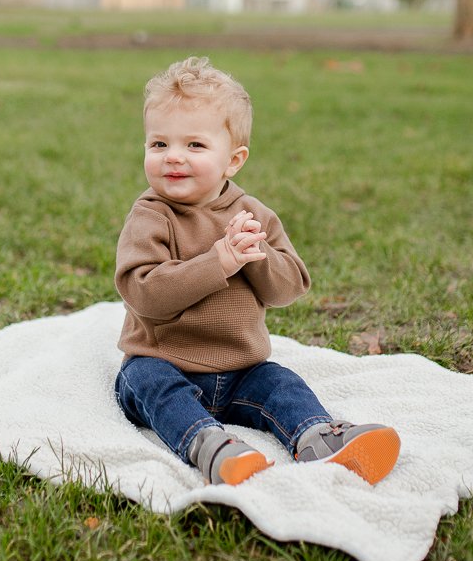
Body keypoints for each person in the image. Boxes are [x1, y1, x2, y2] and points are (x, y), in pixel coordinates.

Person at [114, 56, 400, 488]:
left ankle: (318, 438)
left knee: (280, 383)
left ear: (234, 160)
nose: (173, 157)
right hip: (165, 360)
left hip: (239, 369)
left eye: (194, 145)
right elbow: (144, 293)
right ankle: (210, 445)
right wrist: (219, 262)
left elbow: (290, 287)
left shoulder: (253, 216)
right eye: (158, 144)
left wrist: (255, 253)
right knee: (146, 382)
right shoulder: (152, 216)